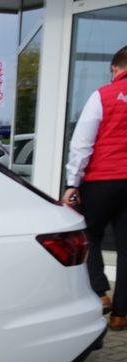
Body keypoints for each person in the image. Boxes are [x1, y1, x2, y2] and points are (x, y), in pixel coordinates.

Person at [63, 45, 127, 332]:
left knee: (89, 236)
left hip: (101, 180)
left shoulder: (102, 95)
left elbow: (82, 144)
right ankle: (121, 316)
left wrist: (72, 183)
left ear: (115, 68)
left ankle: (100, 293)